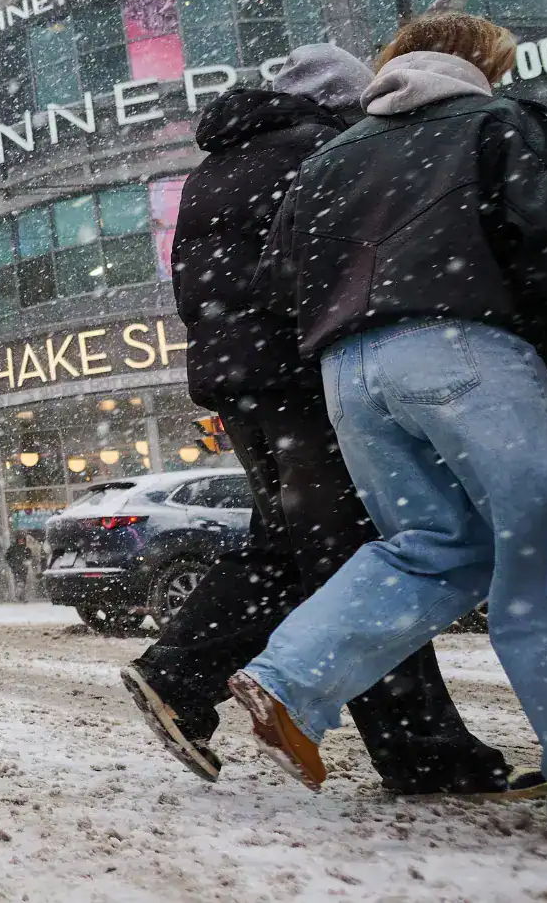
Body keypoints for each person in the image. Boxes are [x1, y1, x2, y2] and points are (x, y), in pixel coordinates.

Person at [231, 13, 547, 838]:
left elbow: (277, 282)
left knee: (434, 548)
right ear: (484, 65)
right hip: (470, 352)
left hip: (350, 373)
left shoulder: (330, 157)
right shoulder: (500, 123)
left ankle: (291, 677)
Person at [121, 42, 521, 797]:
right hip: (302, 374)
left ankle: (179, 675)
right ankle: (423, 752)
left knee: (288, 542)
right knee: (361, 550)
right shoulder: (321, 151)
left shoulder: (216, 167)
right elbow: (327, 267)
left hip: (237, 382)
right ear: (340, 101)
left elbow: (207, 281)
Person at [2, 533, 33, 602]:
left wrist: (27, 562)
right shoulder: (13, 548)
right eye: (19, 539)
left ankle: (22, 596)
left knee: (23, 582)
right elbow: (7, 557)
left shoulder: (26, 549)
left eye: (22, 539)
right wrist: (11, 564)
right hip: (15, 568)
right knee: (18, 582)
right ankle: (19, 596)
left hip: (23, 568)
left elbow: (29, 557)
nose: (21, 540)